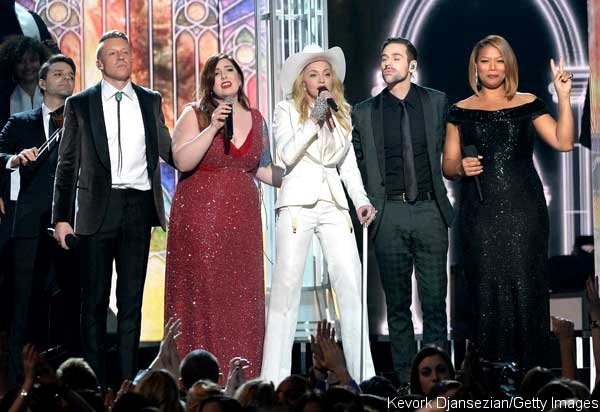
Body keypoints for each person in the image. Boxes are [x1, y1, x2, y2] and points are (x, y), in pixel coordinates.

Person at [443, 34, 574, 369]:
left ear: (508, 65)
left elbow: (563, 142)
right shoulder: (460, 111)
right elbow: (448, 165)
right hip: (480, 216)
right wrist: (461, 166)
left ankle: (532, 380)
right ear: (475, 66)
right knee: (486, 292)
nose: (492, 67)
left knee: (526, 289)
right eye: (485, 60)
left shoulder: (527, 103)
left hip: (525, 213)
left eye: (499, 60)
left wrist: (562, 97)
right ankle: (490, 386)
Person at [52, 30, 173, 385]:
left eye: (126, 52)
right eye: (113, 54)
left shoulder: (150, 100)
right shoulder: (81, 104)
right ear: (100, 63)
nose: (122, 57)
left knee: (131, 301)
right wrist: (61, 218)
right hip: (95, 209)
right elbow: (66, 165)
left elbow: (168, 149)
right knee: (93, 302)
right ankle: (94, 385)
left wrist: (206, 128)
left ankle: (125, 384)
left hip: (138, 205)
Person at [261, 44, 376, 385]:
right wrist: (314, 119)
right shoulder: (285, 111)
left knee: (352, 286)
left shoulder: (343, 114)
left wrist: (360, 201)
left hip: (334, 205)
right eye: (313, 74)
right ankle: (274, 378)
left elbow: (348, 164)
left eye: (327, 74)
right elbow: (287, 153)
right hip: (297, 204)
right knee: (286, 289)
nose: (321, 79)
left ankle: (362, 375)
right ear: (302, 81)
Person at [164, 53, 282, 379]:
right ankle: (199, 379)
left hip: (242, 223)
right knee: (204, 298)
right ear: (209, 83)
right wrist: (213, 126)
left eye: (230, 70)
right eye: (217, 73)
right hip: (200, 220)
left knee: (241, 301)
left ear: (241, 77)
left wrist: (304, 171)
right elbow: (182, 160)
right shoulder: (196, 113)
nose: (225, 76)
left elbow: (263, 169)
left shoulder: (257, 119)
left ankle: (243, 379)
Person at [350, 37, 454, 387]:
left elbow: (452, 146)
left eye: (396, 57)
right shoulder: (364, 112)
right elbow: (357, 164)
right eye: (384, 58)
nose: (388, 63)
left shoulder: (436, 102)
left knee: (435, 303)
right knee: (397, 307)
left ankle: (439, 384)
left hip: (429, 210)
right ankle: (410, 386)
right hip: (389, 213)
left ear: (412, 64)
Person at [0, 54, 79, 386]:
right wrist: (15, 160)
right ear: (43, 83)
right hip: (29, 226)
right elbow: (0, 153)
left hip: (68, 225)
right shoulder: (20, 123)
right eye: (58, 74)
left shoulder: (80, 123)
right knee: (23, 306)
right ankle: (21, 383)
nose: (65, 79)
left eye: (70, 75)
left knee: (68, 305)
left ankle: (68, 383)